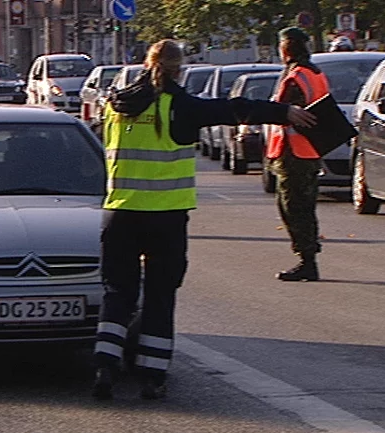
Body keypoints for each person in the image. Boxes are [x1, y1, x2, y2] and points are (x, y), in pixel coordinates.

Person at [92, 39, 316, 401]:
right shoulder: (179, 106)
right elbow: (232, 110)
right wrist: (283, 112)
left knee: (117, 292)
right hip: (165, 218)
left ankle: (105, 366)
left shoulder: (117, 106)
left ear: (145, 64)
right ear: (179, 68)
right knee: (160, 297)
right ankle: (152, 375)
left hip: (118, 214)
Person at [266, 27, 330, 282]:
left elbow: (280, 112)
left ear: (285, 49)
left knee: (293, 207)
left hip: (293, 154)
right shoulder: (315, 73)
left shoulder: (295, 77)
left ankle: (307, 260)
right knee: (304, 206)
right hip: (310, 150)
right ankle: (308, 257)